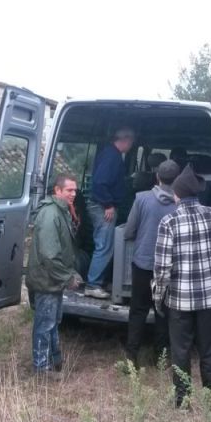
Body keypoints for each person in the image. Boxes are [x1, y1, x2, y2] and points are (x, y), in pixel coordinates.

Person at [152, 164, 211, 407]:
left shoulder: (169, 221)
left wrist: (158, 297)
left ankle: (183, 401)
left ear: (177, 194)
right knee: (209, 350)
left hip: (180, 302)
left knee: (181, 352)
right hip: (209, 299)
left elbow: (163, 268)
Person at [123, 159, 180, 368]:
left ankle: (131, 357)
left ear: (157, 177)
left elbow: (129, 231)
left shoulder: (141, 198)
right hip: (168, 268)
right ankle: (162, 359)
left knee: (137, 310)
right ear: (178, 180)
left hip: (142, 264)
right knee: (163, 313)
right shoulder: (179, 205)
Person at [26, 174, 82, 374]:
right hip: (46, 280)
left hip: (52, 279)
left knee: (52, 322)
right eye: (69, 190)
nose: (74, 194)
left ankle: (53, 360)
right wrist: (68, 277)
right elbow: (50, 255)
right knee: (45, 324)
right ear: (57, 191)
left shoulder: (61, 211)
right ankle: (41, 368)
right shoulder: (51, 214)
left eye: (75, 190)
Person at [84, 127, 135, 299]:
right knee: (104, 245)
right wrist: (108, 205)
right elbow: (100, 182)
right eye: (132, 141)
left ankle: (98, 280)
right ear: (126, 140)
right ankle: (92, 285)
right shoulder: (112, 156)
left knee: (105, 245)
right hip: (101, 206)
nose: (132, 145)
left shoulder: (111, 154)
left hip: (101, 204)